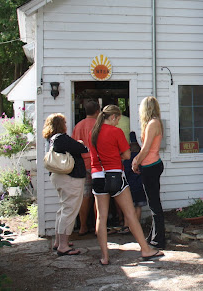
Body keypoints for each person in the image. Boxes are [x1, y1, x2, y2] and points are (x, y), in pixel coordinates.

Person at [90, 104, 162, 265]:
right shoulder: (116, 132)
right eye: (117, 119)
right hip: (115, 175)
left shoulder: (93, 133)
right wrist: (118, 156)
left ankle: (104, 256)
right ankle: (145, 249)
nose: (118, 122)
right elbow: (127, 154)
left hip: (97, 176)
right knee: (130, 214)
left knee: (101, 217)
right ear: (113, 117)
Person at [43, 113, 88, 256]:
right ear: (61, 125)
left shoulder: (50, 139)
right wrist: (81, 143)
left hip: (58, 177)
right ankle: (63, 245)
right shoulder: (61, 138)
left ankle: (58, 241)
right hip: (69, 178)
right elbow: (82, 148)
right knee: (69, 210)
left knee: (63, 209)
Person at [132, 96, 166, 249]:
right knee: (153, 203)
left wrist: (136, 162)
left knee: (154, 204)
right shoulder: (155, 122)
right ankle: (154, 236)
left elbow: (146, 149)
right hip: (151, 165)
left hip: (151, 166)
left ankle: (159, 239)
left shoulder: (153, 123)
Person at [71, 99, 100, 236]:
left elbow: (73, 145)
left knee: (85, 196)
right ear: (97, 111)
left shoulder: (78, 126)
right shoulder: (99, 125)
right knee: (99, 196)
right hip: (98, 164)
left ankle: (82, 226)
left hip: (82, 165)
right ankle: (97, 226)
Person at [121, 132, 147, 234]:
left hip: (129, 186)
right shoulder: (142, 159)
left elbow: (125, 173)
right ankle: (136, 226)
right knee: (138, 207)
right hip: (140, 186)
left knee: (128, 207)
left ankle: (126, 226)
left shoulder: (127, 160)